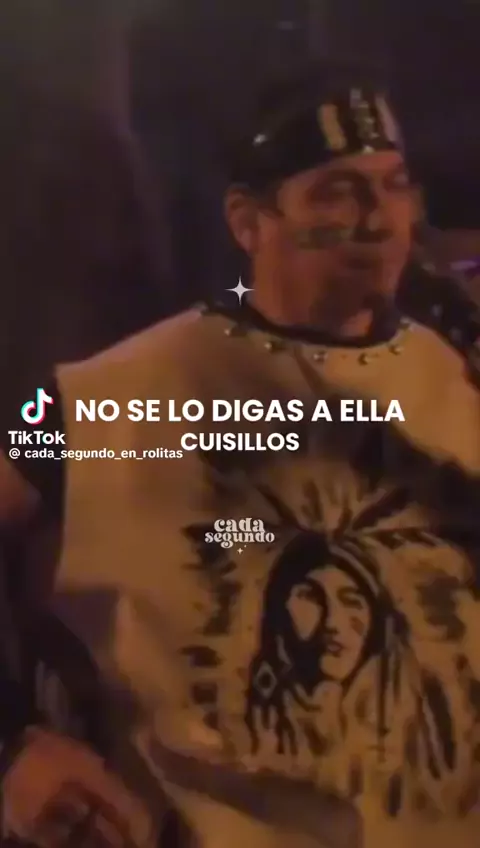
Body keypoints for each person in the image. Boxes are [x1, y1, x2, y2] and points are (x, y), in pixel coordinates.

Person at [0, 63, 480, 848]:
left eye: (393, 187)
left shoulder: (459, 374)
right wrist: (13, 748)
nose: (378, 220)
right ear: (247, 221)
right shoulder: (89, 399)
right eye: (336, 193)